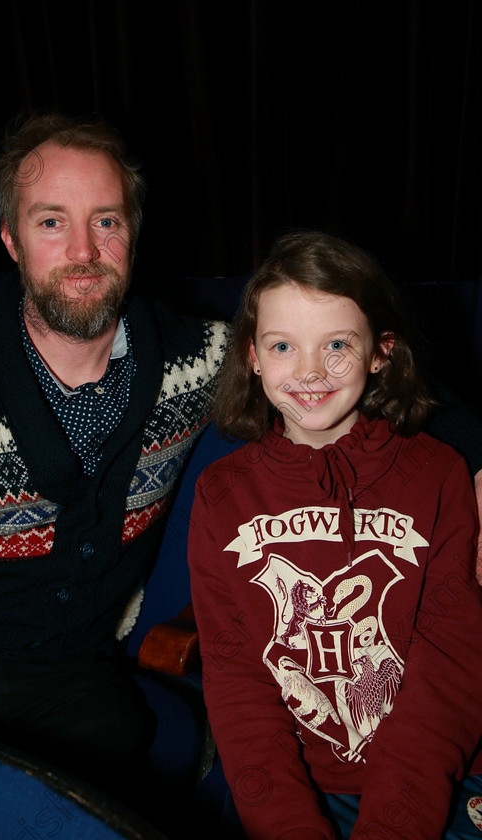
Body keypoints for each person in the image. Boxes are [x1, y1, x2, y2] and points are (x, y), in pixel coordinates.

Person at [0, 113, 227, 803]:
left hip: (73, 678)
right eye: (52, 222)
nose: (84, 250)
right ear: (11, 239)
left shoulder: (197, 363)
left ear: (132, 234)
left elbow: (342, 360)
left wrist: (474, 459)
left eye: (108, 221)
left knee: (108, 735)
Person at [188, 230, 482, 840]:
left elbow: (450, 671)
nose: (311, 372)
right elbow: (238, 682)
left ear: (382, 351)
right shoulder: (221, 495)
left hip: (436, 782)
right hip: (295, 788)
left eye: (338, 345)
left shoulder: (438, 474)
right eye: (283, 346)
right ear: (252, 354)